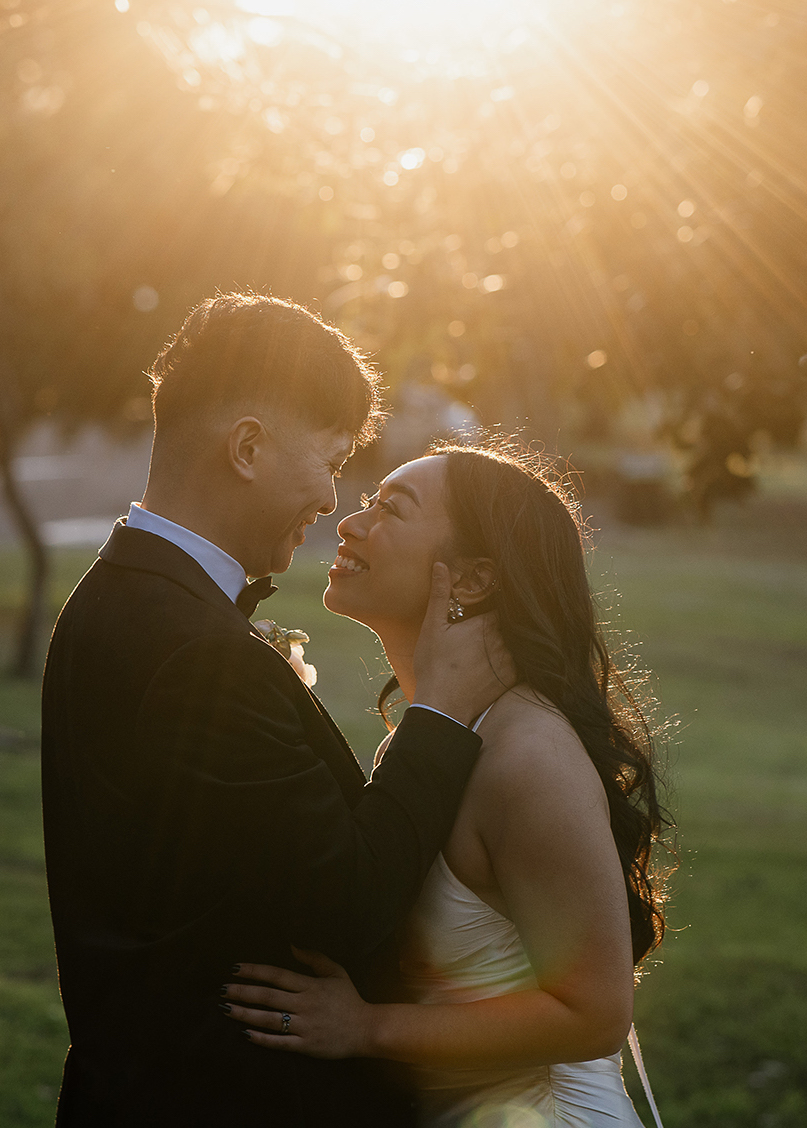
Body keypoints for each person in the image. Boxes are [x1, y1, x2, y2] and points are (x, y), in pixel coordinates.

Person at [40, 294, 512, 1126]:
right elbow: (350, 901)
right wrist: (439, 712)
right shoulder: (192, 649)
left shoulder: (121, 600)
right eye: (331, 461)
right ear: (248, 448)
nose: (332, 500)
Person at [220, 442, 673, 1127]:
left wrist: (366, 1027)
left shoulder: (527, 754)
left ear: (472, 580)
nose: (350, 522)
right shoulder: (433, 737)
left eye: (390, 509)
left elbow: (596, 1015)